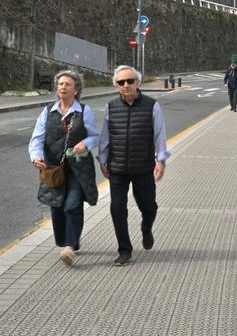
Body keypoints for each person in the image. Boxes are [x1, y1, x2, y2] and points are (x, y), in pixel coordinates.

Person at [98, 65, 169, 266]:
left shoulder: (151, 105)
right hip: (117, 169)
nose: (126, 85)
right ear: (116, 86)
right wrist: (102, 160)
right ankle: (124, 250)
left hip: (143, 168)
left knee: (149, 208)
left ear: (138, 83)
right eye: (121, 82)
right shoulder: (110, 107)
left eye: (130, 81)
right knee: (117, 209)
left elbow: (160, 135)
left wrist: (161, 161)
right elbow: (105, 136)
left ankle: (146, 229)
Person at [28, 70, 99, 267]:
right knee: (57, 206)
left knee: (72, 204)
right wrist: (36, 158)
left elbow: (95, 136)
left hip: (78, 167)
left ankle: (68, 246)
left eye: (67, 84)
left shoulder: (84, 111)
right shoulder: (47, 111)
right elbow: (37, 139)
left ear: (76, 90)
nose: (62, 87)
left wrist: (85, 143)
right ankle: (67, 241)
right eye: (60, 84)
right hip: (53, 169)